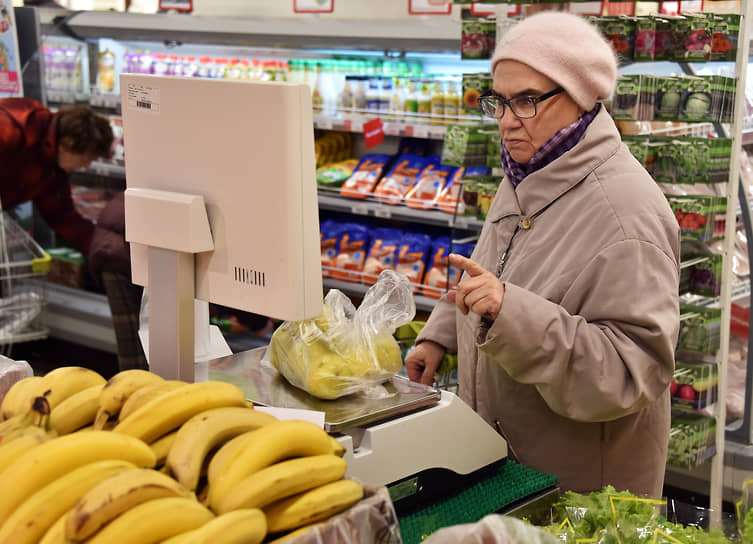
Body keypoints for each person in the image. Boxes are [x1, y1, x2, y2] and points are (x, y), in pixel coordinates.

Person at [405, 12, 680, 498]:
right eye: (500, 101)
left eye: (528, 101)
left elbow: (631, 374)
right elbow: (495, 274)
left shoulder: (627, 215)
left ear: (581, 96)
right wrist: (442, 335)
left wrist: (510, 313)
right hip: (512, 469)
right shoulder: (529, 173)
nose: (507, 121)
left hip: (581, 496)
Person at [0, 97, 113, 254]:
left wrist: (105, 249)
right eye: (87, 158)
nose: (86, 166)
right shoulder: (16, 127)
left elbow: (63, 218)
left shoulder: (53, 170)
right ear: (69, 145)